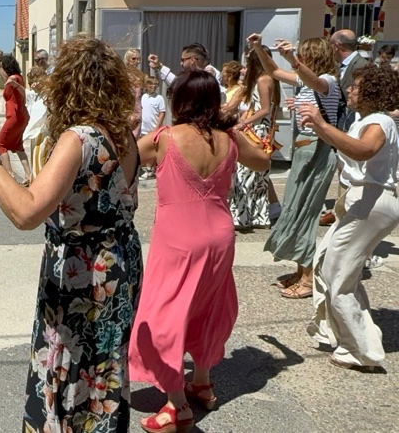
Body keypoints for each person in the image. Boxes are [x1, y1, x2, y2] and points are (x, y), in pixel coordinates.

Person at [0, 36, 143, 432]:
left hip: (83, 270)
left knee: (69, 361)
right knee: (104, 361)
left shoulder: (79, 137)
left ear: (65, 84)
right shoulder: (123, 134)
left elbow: (26, 213)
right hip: (118, 261)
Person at [128, 71, 270, 433]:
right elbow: (264, 163)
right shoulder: (230, 138)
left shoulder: (165, 137)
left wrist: (130, 113)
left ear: (179, 101)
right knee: (208, 307)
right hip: (220, 236)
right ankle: (202, 382)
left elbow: (122, 158)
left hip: (178, 240)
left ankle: (177, 407)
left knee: (162, 317)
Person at [301, 64, 399, 371]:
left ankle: (362, 350)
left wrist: (320, 122)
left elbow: (363, 151)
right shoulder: (368, 119)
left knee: (338, 274)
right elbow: (348, 145)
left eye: (356, 87)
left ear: (372, 92)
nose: (350, 90)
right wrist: (318, 125)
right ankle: (348, 337)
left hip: (373, 202)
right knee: (327, 263)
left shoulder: (380, 122)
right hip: (365, 201)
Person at [248, 33, 342, 299]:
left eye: (304, 55)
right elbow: (275, 71)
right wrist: (258, 48)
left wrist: (293, 60)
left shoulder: (328, 82)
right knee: (294, 210)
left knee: (306, 213)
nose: (299, 58)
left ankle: (310, 278)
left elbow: (315, 81)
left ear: (315, 57)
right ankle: (301, 271)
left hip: (317, 152)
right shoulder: (306, 82)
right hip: (304, 152)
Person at [229, 47, 281, 229]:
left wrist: (245, 122)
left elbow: (265, 108)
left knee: (245, 173)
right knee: (257, 177)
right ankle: (256, 216)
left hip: (258, 131)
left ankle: (242, 217)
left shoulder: (263, 79)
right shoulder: (269, 79)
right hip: (260, 128)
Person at [0, 54, 32, 185]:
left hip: (15, 116)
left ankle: (10, 174)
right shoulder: (18, 77)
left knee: (0, 144)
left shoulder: (13, 78)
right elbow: (4, 80)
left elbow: (6, 78)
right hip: (22, 115)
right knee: (17, 146)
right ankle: (28, 174)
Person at [148, 42, 223, 89]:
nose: (181, 63)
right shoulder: (186, 76)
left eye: (183, 60)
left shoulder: (212, 75)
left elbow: (221, 97)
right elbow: (176, 83)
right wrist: (159, 66)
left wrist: (211, 81)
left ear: (192, 60)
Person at [138, 76, 166, 180]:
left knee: (153, 150)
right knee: (144, 149)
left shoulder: (159, 98)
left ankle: (151, 170)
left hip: (153, 128)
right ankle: (147, 169)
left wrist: (157, 127)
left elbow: (162, 113)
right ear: (146, 85)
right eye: (151, 84)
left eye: (155, 84)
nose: (153, 86)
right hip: (143, 128)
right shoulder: (143, 97)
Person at [125, 49, 146, 138]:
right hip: (126, 109)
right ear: (127, 59)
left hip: (137, 109)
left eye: (138, 59)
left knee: (136, 136)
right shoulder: (123, 74)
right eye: (134, 59)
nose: (137, 61)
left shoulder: (140, 75)